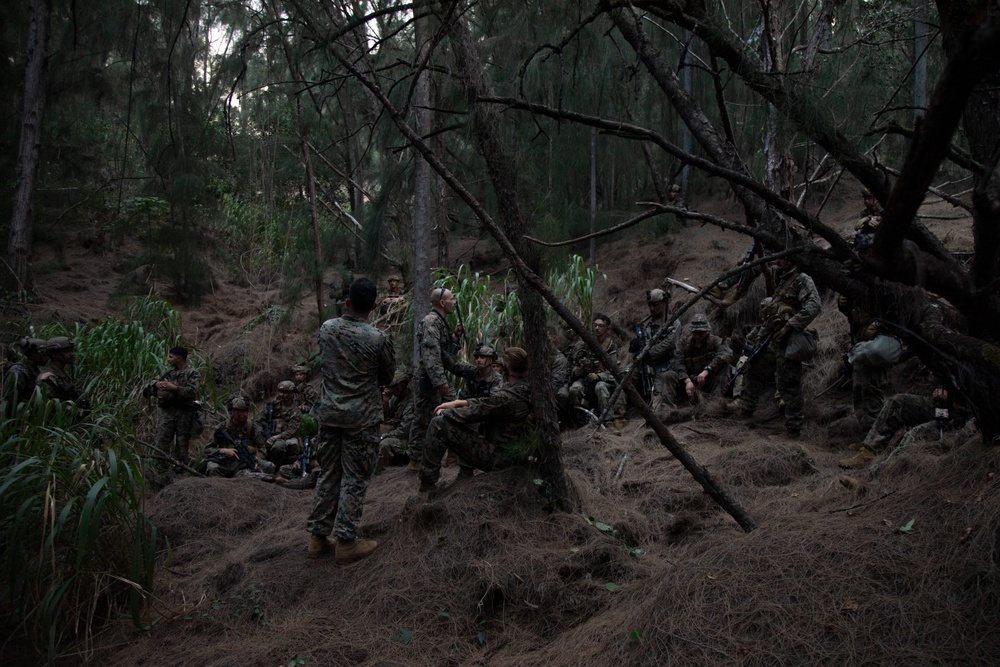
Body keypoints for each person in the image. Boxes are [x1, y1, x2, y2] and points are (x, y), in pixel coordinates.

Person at [307, 278, 394, 564]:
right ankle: (346, 541)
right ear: (374, 306)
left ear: (346, 302)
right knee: (355, 477)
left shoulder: (327, 329)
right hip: (361, 418)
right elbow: (387, 378)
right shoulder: (378, 339)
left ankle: (318, 538)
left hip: (329, 414)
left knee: (329, 472)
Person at [726, 257, 821, 437]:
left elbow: (814, 305)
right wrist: (760, 336)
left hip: (790, 341)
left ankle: (793, 429)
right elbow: (771, 314)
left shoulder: (802, 280)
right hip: (773, 339)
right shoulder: (782, 280)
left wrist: (790, 325)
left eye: (784, 258)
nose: (779, 261)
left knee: (789, 384)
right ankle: (746, 410)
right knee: (753, 367)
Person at [418, 347, 534, 492]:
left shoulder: (506, 394)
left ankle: (426, 486)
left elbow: (480, 409)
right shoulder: (532, 389)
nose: (479, 359)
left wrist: (448, 411)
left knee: (438, 424)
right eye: (477, 356)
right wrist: (460, 402)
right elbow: (487, 403)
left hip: (501, 458)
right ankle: (464, 474)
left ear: (504, 367)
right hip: (519, 454)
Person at [838, 372, 970, 469]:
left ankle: (883, 470)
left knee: (914, 435)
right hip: (942, 407)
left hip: (963, 416)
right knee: (898, 402)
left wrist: (956, 396)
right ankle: (869, 452)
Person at [410, 287, 464, 466]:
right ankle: (416, 460)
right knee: (423, 417)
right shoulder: (431, 322)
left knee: (453, 408)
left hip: (435, 375)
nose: (454, 302)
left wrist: (455, 337)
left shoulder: (440, 322)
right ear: (442, 303)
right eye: (451, 299)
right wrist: (440, 380)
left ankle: (453, 453)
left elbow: (446, 355)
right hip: (429, 377)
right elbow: (431, 354)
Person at [662, 313, 733, 406]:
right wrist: (687, 381)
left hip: (709, 382)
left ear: (707, 331)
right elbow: (677, 363)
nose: (698, 336)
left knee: (726, 367)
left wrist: (707, 370)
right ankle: (667, 409)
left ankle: (715, 404)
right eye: (695, 333)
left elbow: (727, 353)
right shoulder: (684, 343)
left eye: (701, 333)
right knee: (668, 375)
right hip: (690, 382)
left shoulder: (715, 341)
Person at [148, 346, 201, 467]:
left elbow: (192, 390)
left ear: (179, 358)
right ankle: (160, 470)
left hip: (184, 415)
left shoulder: (192, 373)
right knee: (161, 443)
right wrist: (157, 384)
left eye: (171, 357)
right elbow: (150, 383)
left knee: (182, 446)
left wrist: (174, 388)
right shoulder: (168, 372)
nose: (168, 359)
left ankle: (181, 471)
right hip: (167, 413)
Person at [569, 313, 625, 420]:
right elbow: (573, 366)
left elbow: (614, 372)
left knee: (600, 387)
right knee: (574, 390)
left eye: (601, 326)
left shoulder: (611, 347)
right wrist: (578, 370)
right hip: (585, 379)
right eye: (595, 325)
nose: (597, 328)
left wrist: (599, 376)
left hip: (604, 381)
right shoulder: (585, 345)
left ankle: (608, 419)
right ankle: (579, 422)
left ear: (607, 329)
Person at [629, 288, 677, 404]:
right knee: (625, 378)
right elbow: (643, 341)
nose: (652, 309)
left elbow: (669, 343)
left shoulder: (673, 322)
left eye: (655, 305)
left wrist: (648, 353)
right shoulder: (646, 323)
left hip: (664, 365)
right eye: (650, 305)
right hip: (645, 364)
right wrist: (636, 344)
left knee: (658, 400)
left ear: (663, 303)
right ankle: (618, 412)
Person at [202, 397, 265, 477]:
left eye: (247, 411)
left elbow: (263, 448)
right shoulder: (222, 428)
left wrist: (257, 460)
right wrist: (223, 450)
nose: (245, 414)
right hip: (224, 461)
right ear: (232, 411)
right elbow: (207, 449)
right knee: (212, 467)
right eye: (241, 411)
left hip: (244, 464)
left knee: (267, 467)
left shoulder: (252, 428)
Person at [260, 380, 303, 478]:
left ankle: (273, 470)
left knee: (279, 446)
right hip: (269, 435)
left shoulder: (295, 411)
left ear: (292, 394)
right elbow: (259, 419)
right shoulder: (272, 406)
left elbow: (292, 431)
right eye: (280, 392)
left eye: (285, 393)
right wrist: (259, 432)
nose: (282, 395)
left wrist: (276, 437)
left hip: (285, 439)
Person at [378, 369, 415, 469]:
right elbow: (386, 418)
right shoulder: (395, 398)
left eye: (394, 386)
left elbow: (404, 431)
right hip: (395, 433)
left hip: (407, 440)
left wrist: (384, 436)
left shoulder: (411, 402)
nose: (391, 389)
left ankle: (380, 473)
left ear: (403, 385)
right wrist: (385, 402)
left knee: (383, 445)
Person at [2, 336, 48, 409]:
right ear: (33, 354)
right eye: (44, 354)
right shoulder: (18, 372)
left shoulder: (33, 369)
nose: (47, 357)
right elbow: (9, 401)